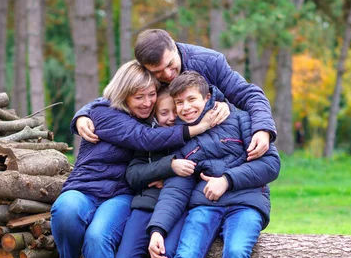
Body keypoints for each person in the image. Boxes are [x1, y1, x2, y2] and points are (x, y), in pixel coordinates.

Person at [49, 61, 219, 258]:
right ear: (124, 94)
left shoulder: (155, 120)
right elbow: (144, 141)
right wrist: (81, 115)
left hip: (120, 195)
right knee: (66, 209)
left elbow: (168, 133)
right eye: (139, 96)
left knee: (99, 236)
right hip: (85, 187)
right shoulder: (103, 113)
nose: (148, 102)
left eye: (151, 95)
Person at [134, 71, 281, 258]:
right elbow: (175, 190)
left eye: (191, 100)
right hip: (204, 208)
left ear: (206, 97)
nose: (186, 108)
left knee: (236, 256)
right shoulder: (182, 139)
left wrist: (227, 180)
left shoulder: (240, 120)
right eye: (179, 103)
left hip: (245, 205)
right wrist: (158, 229)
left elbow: (271, 165)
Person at [74, 29, 275, 163]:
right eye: (158, 72)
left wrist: (263, 128)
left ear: (174, 46)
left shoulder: (210, 61)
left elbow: (248, 94)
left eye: (170, 65)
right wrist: (83, 114)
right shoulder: (145, 75)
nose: (168, 75)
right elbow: (117, 96)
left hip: (215, 148)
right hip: (167, 153)